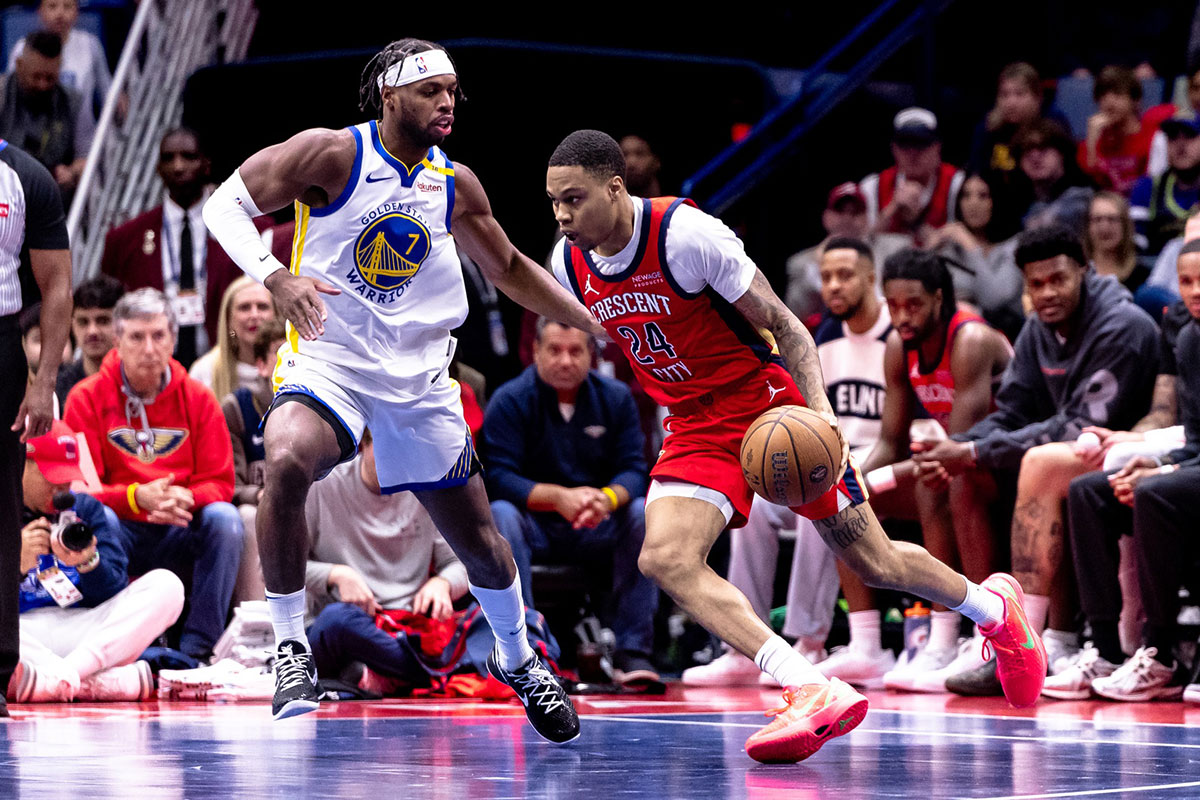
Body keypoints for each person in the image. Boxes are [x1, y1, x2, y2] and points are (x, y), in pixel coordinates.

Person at [546, 129, 1046, 764]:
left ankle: (993, 608)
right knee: (664, 558)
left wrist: (824, 422)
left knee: (876, 563)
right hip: (695, 423)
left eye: (573, 199)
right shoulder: (569, 262)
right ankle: (806, 682)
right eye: (553, 203)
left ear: (615, 188)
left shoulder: (686, 236)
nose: (562, 216)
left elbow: (789, 329)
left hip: (767, 408)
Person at [202, 39, 597, 739]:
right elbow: (224, 207)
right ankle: (292, 650)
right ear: (390, 94)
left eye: (452, 91)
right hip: (334, 361)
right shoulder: (332, 155)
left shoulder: (456, 183)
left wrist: (590, 319)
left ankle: (518, 659)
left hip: (417, 378)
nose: (447, 102)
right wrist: (275, 275)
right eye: (430, 91)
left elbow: (506, 266)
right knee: (286, 456)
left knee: (480, 539)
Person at [913, 224, 1160, 696]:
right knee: (964, 477)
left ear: (1084, 271)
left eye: (1058, 280)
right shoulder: (1037, 329)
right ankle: (987, 638)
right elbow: (1013, 411)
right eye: (1036, 284)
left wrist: (972, 449)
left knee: (1039, 465)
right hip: (1078, 454)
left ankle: (1022, 644)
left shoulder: (1122, 325)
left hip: (1130, 448)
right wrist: (959, 448)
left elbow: (1074, 425)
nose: (1047, 293)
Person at [684, 236, 895, 689]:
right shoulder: (818, 337)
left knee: (819, 497)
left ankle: (810, 642)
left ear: (872, 279)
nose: (834, 286)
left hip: (876, 463)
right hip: (823, 455)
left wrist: (848, 463)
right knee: (759, 508)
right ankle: (744, 645)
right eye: (826, 277)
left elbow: (898, 431)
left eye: (846, 275)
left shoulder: (894, 337)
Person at [1047, 241, 1200, 702]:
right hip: (1194, 463)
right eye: (1187, 282)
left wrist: (1162, 473)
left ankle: (1162, 654)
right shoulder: (1190, 338)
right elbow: (1195, 438)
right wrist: (1159, 462)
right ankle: (1107, 647)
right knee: (1090, 491)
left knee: (1155, 494)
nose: (1195, 292)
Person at [63, 288, 243, 661]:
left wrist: (188, 497)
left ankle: (199, 647)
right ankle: (121, 643)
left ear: (174, 339)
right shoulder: (85, 398)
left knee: (226, 520)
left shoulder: (199, 398)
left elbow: (221, 481)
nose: (149, 348)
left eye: (159, 336)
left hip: (179, 521)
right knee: (99, 518)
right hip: (122, 527)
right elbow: (80, 489)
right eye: (137, 337)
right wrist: (135, 497)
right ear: (118, 341)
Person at [862, 249, 1013, 692]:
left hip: (1005, 459)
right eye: (893, 306)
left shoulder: (970, 340)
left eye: (914, 305)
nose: (902, 316)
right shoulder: (897, 346)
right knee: (846, 499)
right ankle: (875, 642)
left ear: (939, 298)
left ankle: (976, 635)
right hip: (960, 462)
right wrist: (852, 475)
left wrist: (886, 473)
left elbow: (956, 448)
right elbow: (890, 442)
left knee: (943, 480)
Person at [480, 317, 656, 685]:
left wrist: (607, 499)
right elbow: (498, 477)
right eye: (555, 350)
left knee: (641, 513)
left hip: (596, 523)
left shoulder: (616, 398)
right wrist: (557, 498)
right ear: (535, 352)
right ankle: (529, 651)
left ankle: (633, 651)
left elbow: (635, 471)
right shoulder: (510, 400)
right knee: (500, 515)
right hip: (535, 526)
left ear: (591, 355)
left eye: (576, 351)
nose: (565, 361)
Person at [11, 421, 183, 703]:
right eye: (52, 478)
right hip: (22, 632)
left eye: (67, 479)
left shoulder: (85, 509)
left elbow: (114, 593)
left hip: (87, 633)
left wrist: (89, 563)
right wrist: (13, 566)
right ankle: (97, 683)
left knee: (168, 586)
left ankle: (59, 678)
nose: (61, 490)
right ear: (22, 464)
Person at [0, 136, 74, 718]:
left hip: (0, 345)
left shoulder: (26, 177)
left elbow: (56, 288)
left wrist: (44, 378)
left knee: (0, 513)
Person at [304, 430, 470, 688]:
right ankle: (434, 674)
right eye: (386, 451)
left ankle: (383, 674)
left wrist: (444, 584)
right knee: (334, 622)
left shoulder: (428, 488)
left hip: (410, 627)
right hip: (352, 623)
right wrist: (335, 575)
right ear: (363, 445)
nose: (396, 463)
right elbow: (275, 570)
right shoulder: (322, 486)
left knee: (510, 621)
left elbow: (462, 564)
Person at [101, 128, 263, 367]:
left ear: (206, 164)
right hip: (150, 362)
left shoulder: (249, 229)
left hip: (227, 360)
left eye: (188, 157)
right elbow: (110, 309)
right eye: (168, 158)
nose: (178, 167)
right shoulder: (125, 239)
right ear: (157, 168)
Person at [221, 319, 286, 605]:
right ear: (261, 365)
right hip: (259, 506)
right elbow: (228, 485)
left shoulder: (326, 409)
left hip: (314, 507)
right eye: (285, 355)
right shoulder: (237, 408)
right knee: (248, 516)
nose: (296, 362)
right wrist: (262, 494)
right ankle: (255, 623)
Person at [784, 183, 910, 325]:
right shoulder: (802, 264)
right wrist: (816, 270)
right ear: (826, 217)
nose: (847, 218)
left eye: (855, 212)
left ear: (867, 218)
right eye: (840, 211)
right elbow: (794, 319)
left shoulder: (896, 249)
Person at [925, 171, 1025, 339]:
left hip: (1004, 337)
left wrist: (971, 247)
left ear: (997, 199)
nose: (973, 204)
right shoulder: (951, 248)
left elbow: (994, 299)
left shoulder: (1015, 245)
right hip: (953, 335)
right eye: (966, 196)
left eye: (983, 196)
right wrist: (930, 248)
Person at [0, 31, 93, 197]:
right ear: (19, 65)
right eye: (36, 77)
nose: (43, 85)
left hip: (52, 198)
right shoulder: (1, 94)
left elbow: (86, 156)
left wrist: (71, 172)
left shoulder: (74, 102)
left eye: (50, 78)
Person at [859, 107, 965, 246]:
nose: (913, 153)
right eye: (905, 145)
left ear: (937, 147)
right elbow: (861, 246)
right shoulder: (873, 186)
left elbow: (964, 249)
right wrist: (892, 209)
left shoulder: (957, 184)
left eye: (921, 144)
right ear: (894, 149)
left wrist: (916, 221)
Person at [6, 0, 112, 120]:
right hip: (34, 132)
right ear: (40, 11)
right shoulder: (22, 48)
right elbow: (10, 97)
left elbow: (107, 92)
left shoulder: (90, 44)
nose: (60, 14)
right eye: (52, 6)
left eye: (67, 7)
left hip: (84, 133)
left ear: (77, 11)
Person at [188, 275, 276, 399]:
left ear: (276, 315)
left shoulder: (292, 365)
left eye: (262, 306)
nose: (254, 315)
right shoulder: (203, 372)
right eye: (244, 307)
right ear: (228, 319)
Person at [1130, 108, 1200, 257]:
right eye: (1173, 137)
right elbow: (1135, 249)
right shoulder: (1147, 188)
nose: (1180, 145)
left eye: (1190, 136)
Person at [1078, 66, 1155, 196]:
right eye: (1103, 95)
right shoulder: (1093, 140)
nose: (1109, 101)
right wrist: (1091, 145)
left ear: (1135, 100)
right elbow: (1090, 181)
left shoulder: (1151, 136)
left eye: (1117, 94)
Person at [1012, 120, 1094, 235]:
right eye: (1027, 151)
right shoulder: (1017, 205)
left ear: (1062, 153)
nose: (1035, 157)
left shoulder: (1083, 197)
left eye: (1043, 148)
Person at [54, 274, 123, 408]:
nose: (92, 331)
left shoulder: (139, 384)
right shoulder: (58, 387)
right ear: (72, 325)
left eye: (103, 320)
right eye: (83, 322)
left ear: (123, 324)